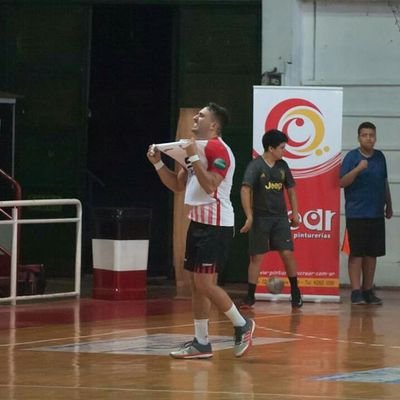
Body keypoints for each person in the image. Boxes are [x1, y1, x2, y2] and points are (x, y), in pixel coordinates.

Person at [147, 102, 255, 359]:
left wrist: (194, 155)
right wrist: (158, 163)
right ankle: (201, 343)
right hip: (197, 223)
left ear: (214, 125)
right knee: (196, 286)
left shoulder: (220, 150)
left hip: (216, 225)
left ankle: (242, 324)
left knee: (205, 282)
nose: (195, 117)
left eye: (202, 116)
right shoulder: (192, 150)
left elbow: (211, 186)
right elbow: (177, 185)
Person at [239, 129, 303, 309]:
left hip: (280, 218)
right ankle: (250, 296)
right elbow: (245, 189)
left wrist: (295, 213)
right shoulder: (256, 166)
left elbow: (291, 190)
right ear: (271, 148)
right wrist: (249, 216)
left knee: (287, 254)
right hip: (260, 218)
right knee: (256, 257)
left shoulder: (283, 166)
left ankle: (296, 293)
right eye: (282, 147)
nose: (284, 151)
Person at [339, 121, 392, 305]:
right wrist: (358, 169)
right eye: (364, 135)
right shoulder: (352, 157)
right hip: (357, 214)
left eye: (371, 135)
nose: (368, 138)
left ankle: (368, 290)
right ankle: (355, 292)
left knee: (372, 254)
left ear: (375, 137)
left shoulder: (380, 157)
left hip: (376, 213)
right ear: (359, 137)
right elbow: (342, 182)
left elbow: (384, 181)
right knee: (356, 254)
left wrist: (389, 204)